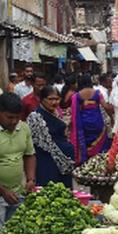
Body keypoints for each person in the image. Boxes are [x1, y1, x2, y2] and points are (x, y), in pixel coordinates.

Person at [27, 86, 74, 188]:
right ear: (42, 99)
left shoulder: (57, 113)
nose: (54, 102)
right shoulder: (35, 117)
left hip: (64, 161)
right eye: (50, 99)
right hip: (46, 160)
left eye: (57, 99)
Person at [0, 93, 36, 225]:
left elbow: (29, 154)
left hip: (17, 194)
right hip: (3, 194)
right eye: (9, 117)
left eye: (17, 117)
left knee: (13, 233)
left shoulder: (23, 128)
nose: (14, 121)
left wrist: (31, 179)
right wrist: (3, 191)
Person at [70, 74, 113, 165]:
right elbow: (105, 106)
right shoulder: (97, 93)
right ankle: (99, 162)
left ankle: (87, 163)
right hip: (97, 121)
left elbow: (74, 112)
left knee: (86, 143)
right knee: (99, 144)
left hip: (83, 123)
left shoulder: (77, 95)